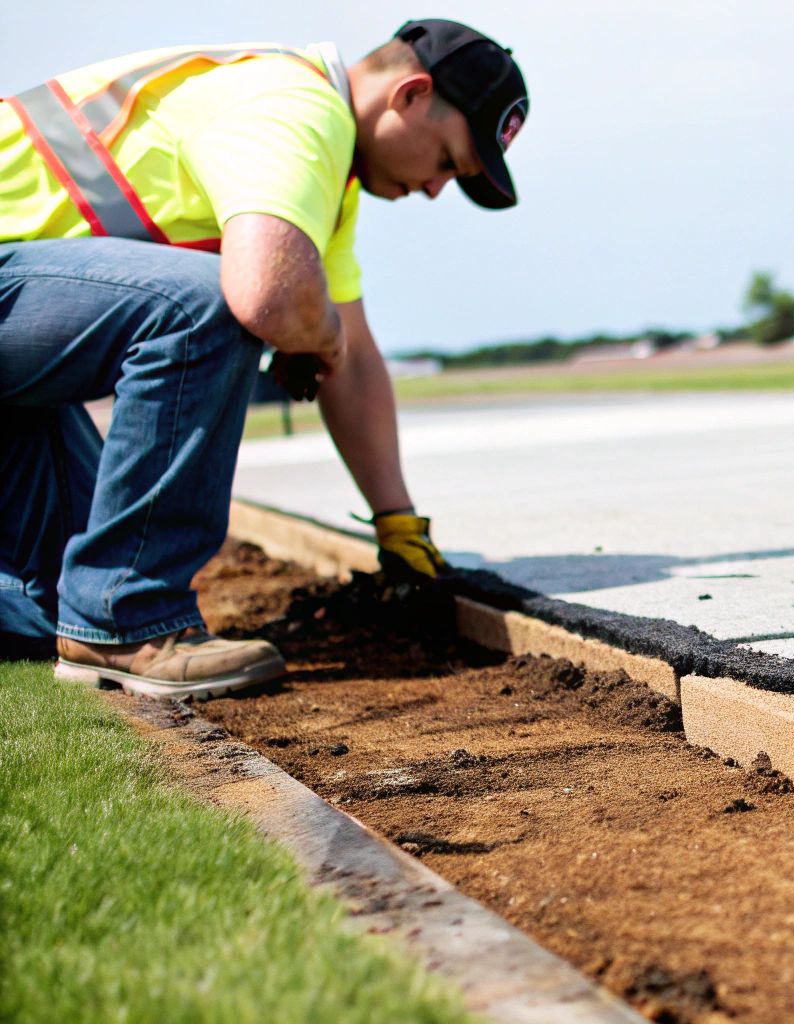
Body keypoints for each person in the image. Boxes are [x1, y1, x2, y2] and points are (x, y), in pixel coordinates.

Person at [0, 19, 529, 697]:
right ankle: (128, 618)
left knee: (45, 610)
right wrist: (316, 333)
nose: (435, 189)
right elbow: (267, 296)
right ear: (410, 95)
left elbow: (355, 358)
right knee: (203, 307)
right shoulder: (297, 108)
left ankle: (61, 613)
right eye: (449, 162)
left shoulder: (324, 182)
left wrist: (398, 523)